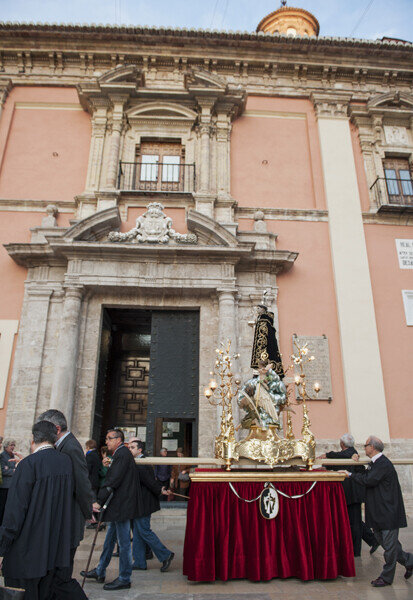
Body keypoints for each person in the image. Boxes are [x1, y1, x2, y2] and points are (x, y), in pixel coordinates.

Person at [0, 421, 73, 600]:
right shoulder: (64, 461)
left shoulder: (28, 465)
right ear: (55, 437)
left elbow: (15, 511)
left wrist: (2, 547)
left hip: (26, 552)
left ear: (33, 438)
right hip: (53, 550)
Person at [37, 408, 93, 600]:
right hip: (62, 520)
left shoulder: (70, 447)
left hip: (69, 520)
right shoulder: (63, 445)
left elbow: (82, 482)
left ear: (56, 428)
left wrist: (88, 511)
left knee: (61, 576)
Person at [344, 435, 413, 587]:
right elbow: (367, 473)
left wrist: (350, 475)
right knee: (389, 544)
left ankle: (386, 577)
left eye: (366, 445)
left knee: (389, 547)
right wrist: (355, 462)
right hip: (379, 513)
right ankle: (409, 561)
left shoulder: (383, 464)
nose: (364, 448)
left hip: (388, 513)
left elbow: (369, 480)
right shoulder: (375, 463)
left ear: (373, 447)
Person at [81, 428, 141, 591]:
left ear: (118, 440)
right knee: (109, 540)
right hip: (117, 504)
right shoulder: (120, 454)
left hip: (121, 505)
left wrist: (99, 501)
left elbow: (114, 479)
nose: (106, 441)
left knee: (123, 544)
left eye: (109, 438)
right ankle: (100, 570)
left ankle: (124, 577)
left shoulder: (122, 454)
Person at [129, 440, 174, 572]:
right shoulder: (139, 461)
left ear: (140, 450)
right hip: (139, 502)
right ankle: (139, 561)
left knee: (143, 530)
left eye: (132, 447)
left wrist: (160, 489)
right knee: (137, 532)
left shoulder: (141, 463)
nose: (130, 449)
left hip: (144, 502)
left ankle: (166, 554)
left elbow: (149, 482)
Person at [0, 439, 22, 524]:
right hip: (4, 487)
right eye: (11, 445)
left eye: (13, 445)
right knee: (2, 506)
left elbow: (10, 469)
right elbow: (3, 470)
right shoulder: (2, 456)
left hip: (11, 486)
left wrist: (11, 469)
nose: (13, 447)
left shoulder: (12, 456)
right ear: (6, 446)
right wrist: (13, 470)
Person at [85, 439, 102, 530]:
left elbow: (87, 469)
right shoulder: (97, 455)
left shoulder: (89, 456)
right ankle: (97, 520)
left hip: (90, 482)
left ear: (88, 447)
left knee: (92, 501)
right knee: (94, 500)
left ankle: (94, 521)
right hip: (96, 481)